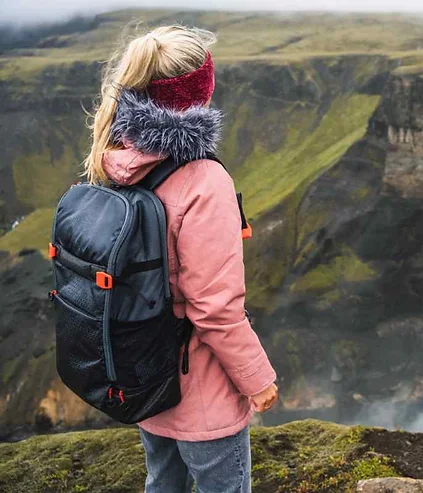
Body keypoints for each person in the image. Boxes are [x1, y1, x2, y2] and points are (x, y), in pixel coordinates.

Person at [83, 25, 278, 493]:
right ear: (202, 90)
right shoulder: (203, 181)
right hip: (200, 389)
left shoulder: (119, 158)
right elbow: (214, 308)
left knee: (162, 483)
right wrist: (258, 380)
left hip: (145, 373)